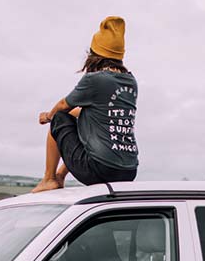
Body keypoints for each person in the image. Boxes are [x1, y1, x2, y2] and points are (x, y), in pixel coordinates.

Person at [32, 16, 139, 192]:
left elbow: (63, 105)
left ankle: (49, 178)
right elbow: (87, 113)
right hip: (128, 171)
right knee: (83, 117)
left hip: (99, 170)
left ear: (95, 54)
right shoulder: (131, 81)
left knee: (59, 118)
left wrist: (48, 116)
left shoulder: (95, 80)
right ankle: (60, 176)